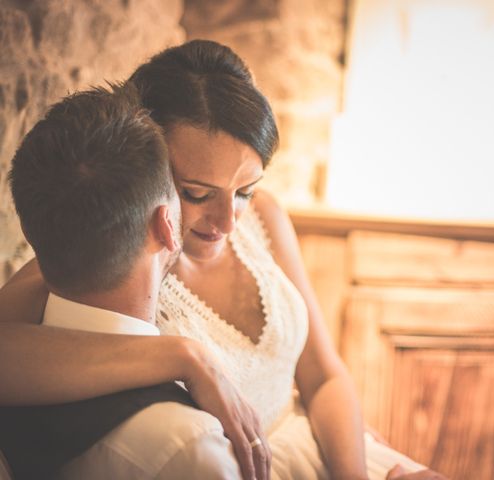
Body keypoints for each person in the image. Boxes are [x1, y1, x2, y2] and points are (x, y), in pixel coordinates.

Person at [0, 40, 447, 480]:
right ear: (148, 167)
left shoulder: (266, 217)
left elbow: (325, 376)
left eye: (245, 191)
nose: (227, 221)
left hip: (329, 445)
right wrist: (180, 355)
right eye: (196, 193)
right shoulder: (107, 256)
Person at [0, 84, 248, 479]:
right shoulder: (193, 448)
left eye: (246, 192)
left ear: (31, 237)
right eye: (192, 192)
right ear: (167, 226)